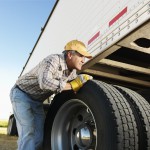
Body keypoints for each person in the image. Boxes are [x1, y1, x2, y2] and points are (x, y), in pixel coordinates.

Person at [9, 39, 93, 150]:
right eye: (81, 56)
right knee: (28, 130)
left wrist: (83, 81)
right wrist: (73, 85)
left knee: (40, 134)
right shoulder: (53, 60)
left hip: (37, 101)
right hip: (21, 94)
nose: (83, 60)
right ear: (70, 54)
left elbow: (73, 87)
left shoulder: (72, 73)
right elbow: (44, 82)